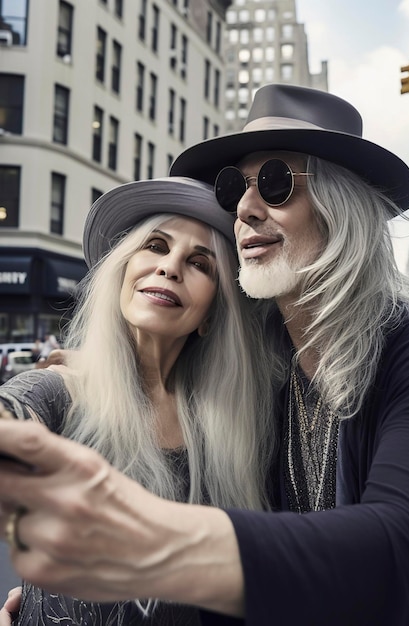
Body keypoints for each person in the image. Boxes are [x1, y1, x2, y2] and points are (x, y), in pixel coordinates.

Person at [0, 83, 409, 625]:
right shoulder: (266, 367)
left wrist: (152, 544)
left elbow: (400, 538)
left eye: (274, 182)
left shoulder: (404, 349)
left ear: (342, 207)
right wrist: (102, 372)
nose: (244, 208)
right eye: (233, 187)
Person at [0, 175, 275, 625]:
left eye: (200, 264)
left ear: (210, 317)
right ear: (122, 272)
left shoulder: (232, 430)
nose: (170, 267)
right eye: (156, 246)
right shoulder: (60, 391)